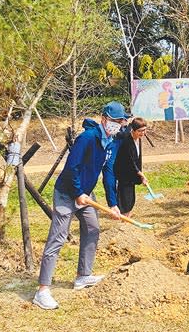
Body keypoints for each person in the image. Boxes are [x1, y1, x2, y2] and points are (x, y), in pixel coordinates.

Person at [32, 101, 128, 310]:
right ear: (104, 119)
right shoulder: (87, 138)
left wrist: (113, 204)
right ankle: (42, 291)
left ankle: (83, 276)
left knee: (93, 229)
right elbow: (71, 168)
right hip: (68, 192)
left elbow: (109, 173)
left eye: (121, 122)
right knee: (58, 237)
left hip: (86, 194)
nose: (119, 125)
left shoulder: (110, 142)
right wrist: (78, 193)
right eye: (116, 121)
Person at [113, 117, 149, 217]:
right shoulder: (126, 141)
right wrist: (140, 174)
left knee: (130, 194)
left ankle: (127, 212)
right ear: (133, 130)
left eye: (144, 130)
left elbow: (138, 159)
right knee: (125, 194)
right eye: (140, 131)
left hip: (132, 172)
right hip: (124, 172)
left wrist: (140, 173)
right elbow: (130, 161)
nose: (143, 133)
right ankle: (124, 215)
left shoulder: (138, 140)